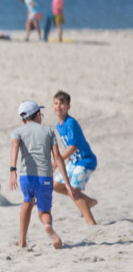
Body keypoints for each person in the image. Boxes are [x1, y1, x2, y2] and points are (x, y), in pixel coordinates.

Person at [10, 100, 77, 249]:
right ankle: (47, 225)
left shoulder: (17, 132)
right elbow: (58, 157)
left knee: (27, 202)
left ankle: (22, 241)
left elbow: (14, 147)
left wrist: (12, 170)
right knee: (44, 211)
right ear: (38, 115)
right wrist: (66, 182)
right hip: (45, 177)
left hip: (26, 176)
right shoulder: (48, 131)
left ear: (23, 119)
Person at [52, 91, 98, 225]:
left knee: (73, 191)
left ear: (68, 107)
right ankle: (88, 201)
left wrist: (57, 161)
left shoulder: (70, 123)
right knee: (56, 186)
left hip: (86, 160)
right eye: (55, 103)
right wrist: (67, 160)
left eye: (62, 104)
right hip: (74, 161)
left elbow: (73, 146)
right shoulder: (58, 125)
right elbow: (68, 146)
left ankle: (91, 223)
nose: (58, 106)